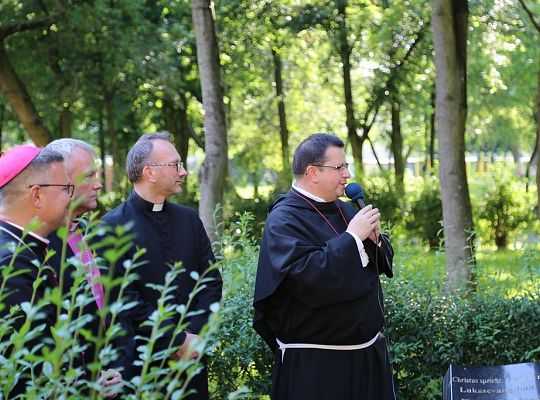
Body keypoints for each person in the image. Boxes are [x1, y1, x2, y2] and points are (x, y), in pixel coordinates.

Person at [253, 133, 396, 400]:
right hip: (318, 365)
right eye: (339, 167)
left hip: (366, 355)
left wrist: (376, 241)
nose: (347, 174)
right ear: (312, 172)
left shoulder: (346, 210)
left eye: (346, 166)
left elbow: (377, 268)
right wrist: (352, 238)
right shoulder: (283, 219)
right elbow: (306, 277)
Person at [102, 132, 222, 399]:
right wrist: (176, 341)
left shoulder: (189, 219)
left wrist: (192, 335)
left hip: (190, 361)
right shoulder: (111, 227)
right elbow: (123, 299)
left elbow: (211, 280)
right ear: (150, 173)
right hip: (141, 364)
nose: (184, 172)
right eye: (175, 165)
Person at [45, 138, 123, 397]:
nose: (98, 183)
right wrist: (83, 382)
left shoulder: (82, 232)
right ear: (62, 179)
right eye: (89, 175)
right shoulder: (42, 248)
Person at [0, 145, 72, 396]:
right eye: (66, 189)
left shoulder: (20, 248)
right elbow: (24, 371)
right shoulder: (12, 262)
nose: (70, 198)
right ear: (37, 196)